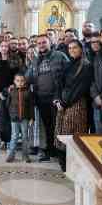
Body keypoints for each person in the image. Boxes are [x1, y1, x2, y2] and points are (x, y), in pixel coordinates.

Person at [25, 34, 68, 163]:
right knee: (48, 126)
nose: (41, 45)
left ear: (50, 43)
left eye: (44, 42)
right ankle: (50, 150)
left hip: (56, 98)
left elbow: (68, 76)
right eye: (39, 43)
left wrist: (62, 96)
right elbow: (28, 77)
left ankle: (61, 153)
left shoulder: (60, 56)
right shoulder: (36, 60)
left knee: (58, 126)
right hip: (41, 98)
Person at [54, 40, 92, 171]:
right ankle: (63, 162)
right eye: (70, 48)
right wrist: (58, 100)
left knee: (72, 133)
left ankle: (73, 163)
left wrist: (65, 102)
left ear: (81, 49)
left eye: (75, 48)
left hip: (76, 103)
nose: (72, 50)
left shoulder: (86, 65)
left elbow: (80, 88)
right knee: (60, 131)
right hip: (63, 103)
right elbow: (60, 83)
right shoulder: (69, 64)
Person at [5, 73, 34, 163]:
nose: (20, 82)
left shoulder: (28, 92)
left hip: (25, 118)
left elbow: (31, 106)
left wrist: (32, 118)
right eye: (18, 81)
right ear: (14, 82)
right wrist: (11, 114)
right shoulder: (12, 91)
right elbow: (7, 104)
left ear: (24, 82)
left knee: (25, 137)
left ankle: (25, 156)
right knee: (14, 136)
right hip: (14, 118)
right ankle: (11, 155)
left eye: (22, 81)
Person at [0, 41, 15, 150]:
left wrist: (12, 86)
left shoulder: (13, 61)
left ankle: (8, 140)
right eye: (2, 46)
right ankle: (2, 140)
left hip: (11, 93)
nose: (4, 48)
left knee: (8, 118)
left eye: (6, 46)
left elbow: (17, 76)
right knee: (0, 118)